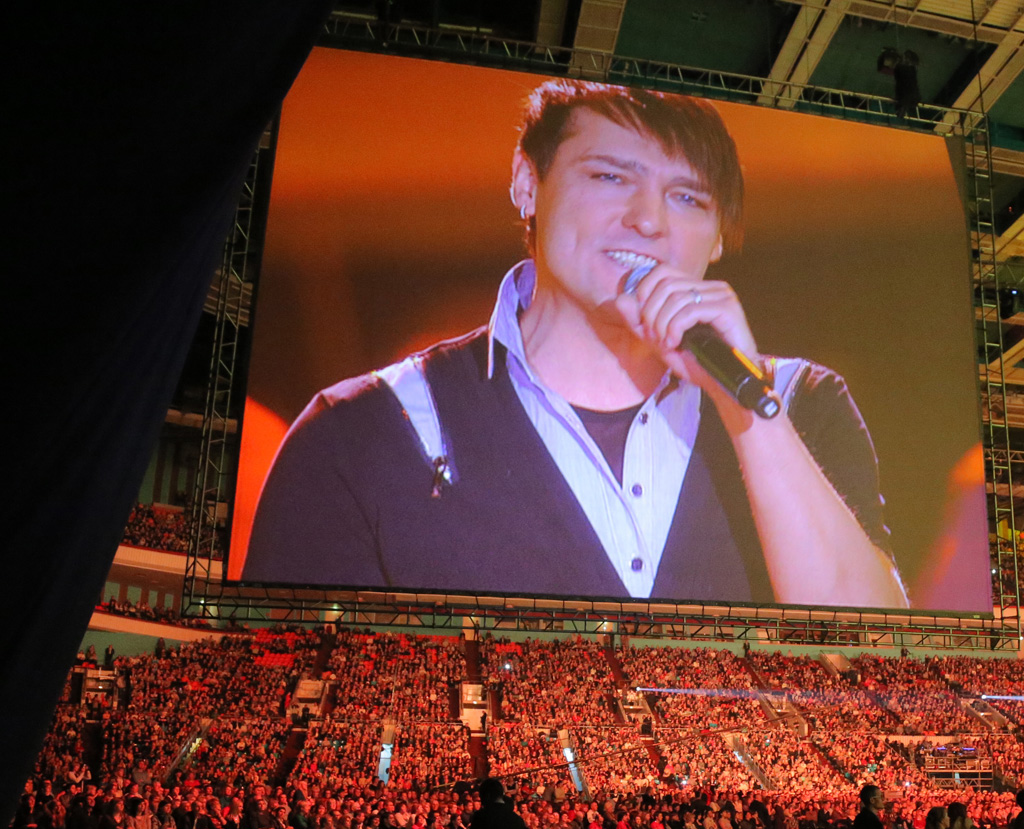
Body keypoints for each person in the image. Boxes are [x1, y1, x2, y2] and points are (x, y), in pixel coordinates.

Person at [244, 80, 906, 611]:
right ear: (527, 183)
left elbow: (872, 661)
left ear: (718, 240)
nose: (647, 220)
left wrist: (748, 410)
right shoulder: (361, 434)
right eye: (610, 177)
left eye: (686, 197)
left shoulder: (797, 405)